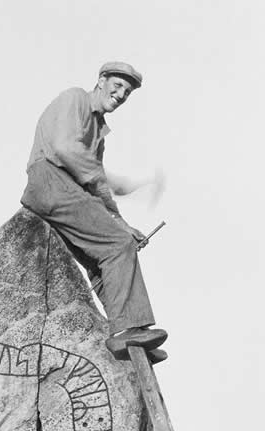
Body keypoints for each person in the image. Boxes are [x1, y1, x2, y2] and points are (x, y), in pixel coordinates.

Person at [21, 61, 167, 362]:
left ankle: (128, 336)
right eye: (117, 85)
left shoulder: (98, 130)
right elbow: (65, 149)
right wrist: (115, 182)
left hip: (63, 190)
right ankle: (128, 328)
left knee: (102, 258)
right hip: (49, 180)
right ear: (101, 80)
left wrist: (120, 221)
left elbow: (95, 187)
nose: (121, 94)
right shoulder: (74, 99)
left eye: (127, 91)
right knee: (117, 245)